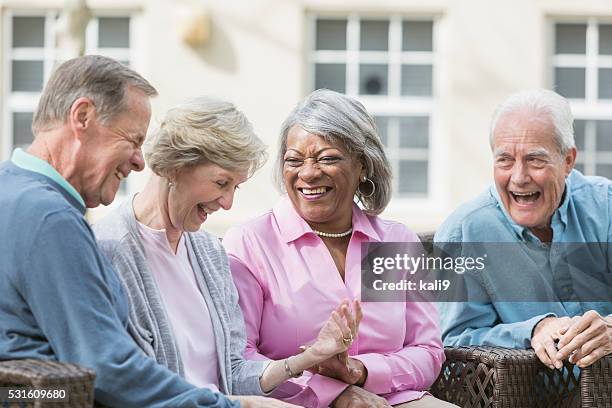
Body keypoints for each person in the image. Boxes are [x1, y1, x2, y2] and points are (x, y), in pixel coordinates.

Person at [0, 55, 239, 407]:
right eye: (133, 138)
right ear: (82, 117)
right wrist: (232, 406)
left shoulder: (11, 190)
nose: (141, 161)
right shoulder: (51, 219)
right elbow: (107, 369)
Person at [93, 97, 362, 408]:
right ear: (174, 166)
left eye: (236, 187)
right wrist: (244, 405)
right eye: (221, 183)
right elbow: (133, 387)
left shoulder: (209, 252)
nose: (227, 203)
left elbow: (234, 373)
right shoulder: (108, 250)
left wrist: (310, 357)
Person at [223, 89, 456, 408]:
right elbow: (240, 360)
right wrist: (333, 393)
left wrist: (360, 372)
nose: (308, 173)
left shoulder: (395, 243)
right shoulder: (251, 242)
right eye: (294, 160)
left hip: (392, 399)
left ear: (362, 165)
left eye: (327, 158)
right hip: (292, 401)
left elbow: (427, 351)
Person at [436, 89, 612, 370]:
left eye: (535, 159)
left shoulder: (605, 204)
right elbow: (454, 344)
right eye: (504, 159)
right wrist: (531, 330)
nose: (519, 177)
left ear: (567, 161)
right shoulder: (464, 233)